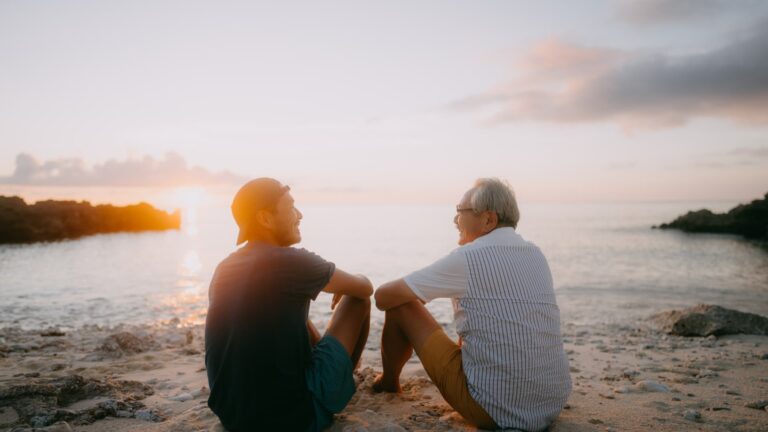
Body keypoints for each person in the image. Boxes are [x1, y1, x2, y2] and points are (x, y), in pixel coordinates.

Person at [373, 178, 571, 431]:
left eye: (459, 211)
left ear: (488, 220)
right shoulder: (536, 254)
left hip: (494, 410)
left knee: (401, 303)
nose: (454, 220)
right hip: (551, 404)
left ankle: (389, 381)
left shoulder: (467, 257)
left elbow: (383, 297)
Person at [205, 178, 372, 432]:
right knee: (357, 300)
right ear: (265, 219)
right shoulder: (293, 262)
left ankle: (329, 374)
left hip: (232, 416)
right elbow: (365, 287)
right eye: (292, 207)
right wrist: (346, 286)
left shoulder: (223, 268)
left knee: (281, 308)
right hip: (293, 419)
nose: (300, 215)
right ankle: (341, 381)